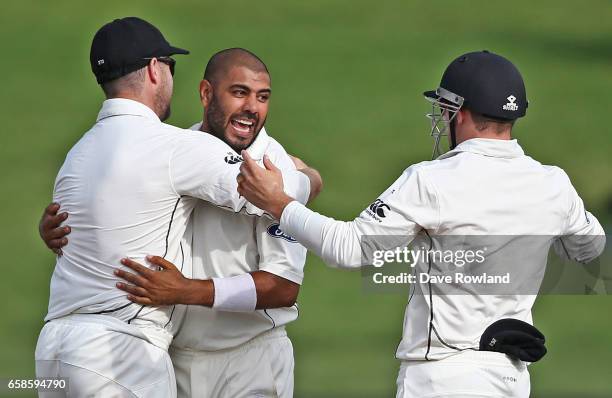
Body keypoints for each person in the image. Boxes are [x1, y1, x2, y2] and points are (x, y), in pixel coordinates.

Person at [234, 50, 606, 397]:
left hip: (442, 378)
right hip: (510, 380)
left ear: (457, 113)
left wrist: (278, 203)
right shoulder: (553, 184)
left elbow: (348, 248)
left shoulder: (432, 180)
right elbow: (590, 247)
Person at [35, 18, 316, 398]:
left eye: (262, 96)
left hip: (59, 348)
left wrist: (187, 290)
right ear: (155, 69)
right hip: (124, 352)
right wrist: (308, 180)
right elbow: (268, 189)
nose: (251, 107)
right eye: (239, 92)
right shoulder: (176, 148)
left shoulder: (80, 152)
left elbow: (284, 286)